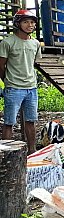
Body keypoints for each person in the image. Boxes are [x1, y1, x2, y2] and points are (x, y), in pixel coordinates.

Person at [0, 10, 41, 154]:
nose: (30, 25)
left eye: (32, 22)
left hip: (32, 88)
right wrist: (7, 81)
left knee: (31, 121)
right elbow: (1, 65)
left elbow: (34, 64)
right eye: (26, 22)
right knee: (9, 123)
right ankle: (6, 155)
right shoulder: (7, 42)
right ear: (18, 24)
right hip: (13, 88)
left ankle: (32, 151)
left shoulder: (35, 43)